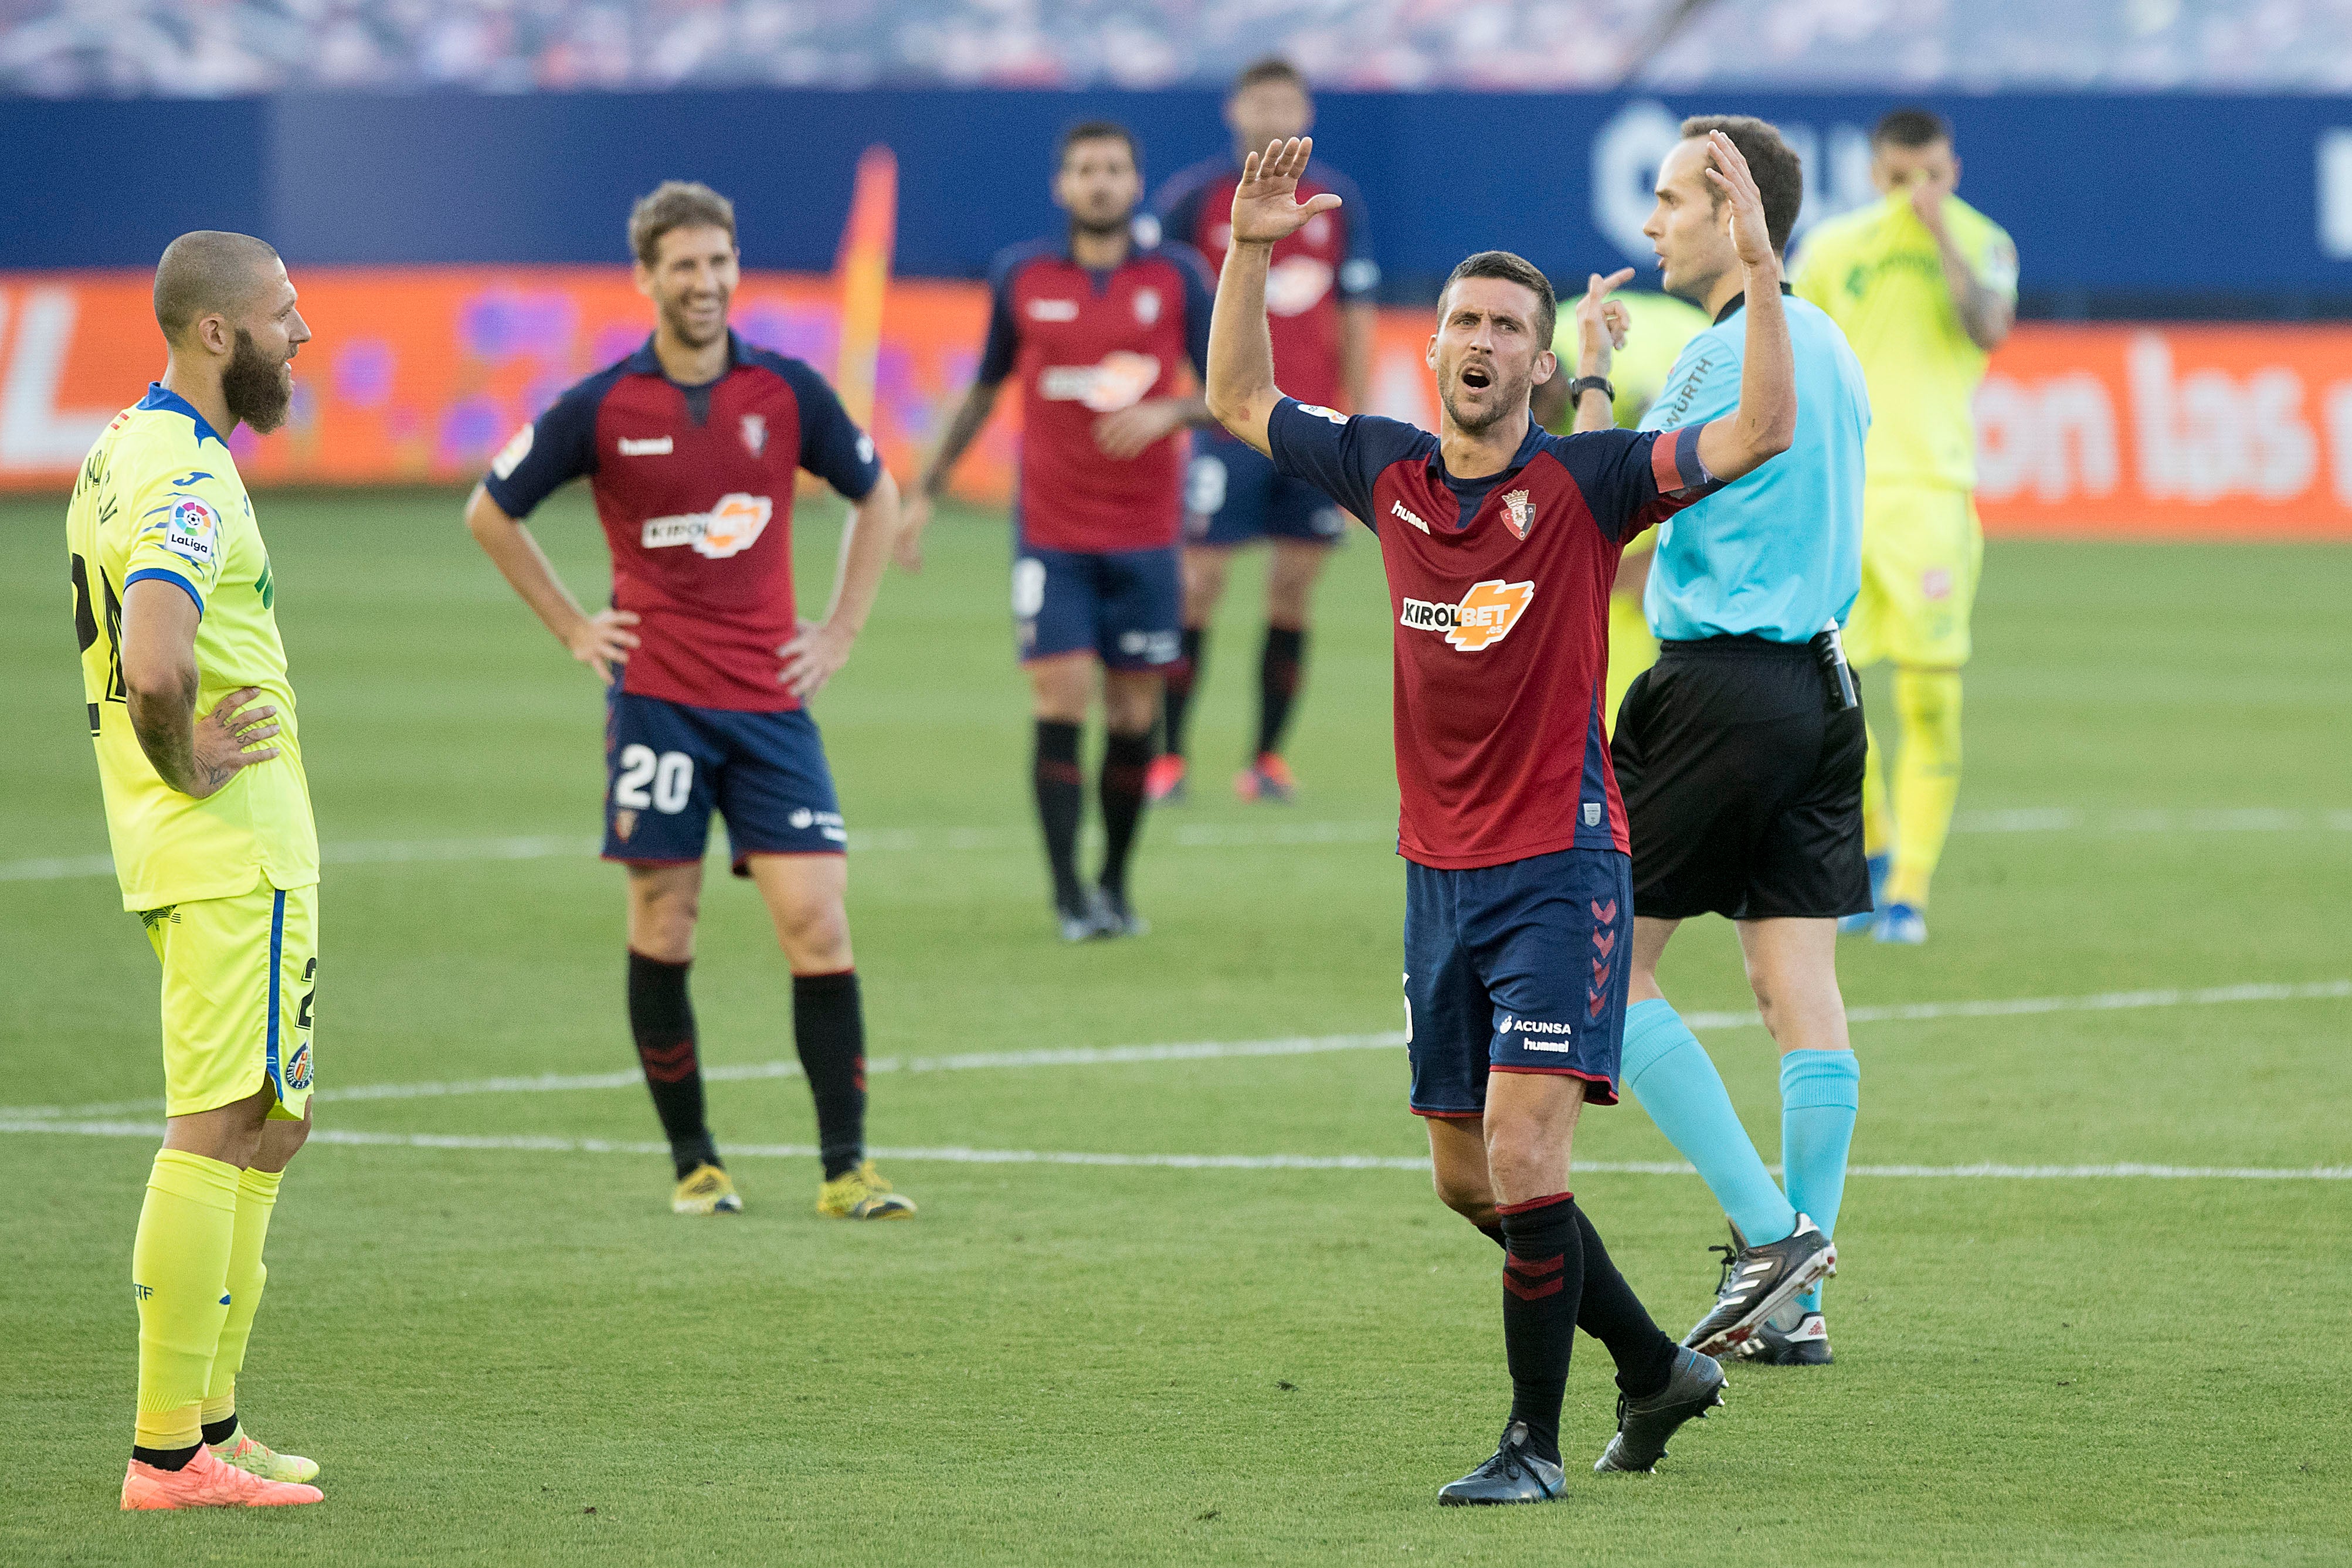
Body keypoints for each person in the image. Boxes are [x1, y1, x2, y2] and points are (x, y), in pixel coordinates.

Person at [1208, 133, 1799, 1502]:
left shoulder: (1587, 489)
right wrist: (1251, 248)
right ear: (1435, 351)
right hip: (1438, 880)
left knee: (1530, 1153)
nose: (1481, 342)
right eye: (1463, 321)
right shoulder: (1389, 474)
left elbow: (1762, 429)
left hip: (1560, 868)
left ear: (1542, 364)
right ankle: (1657, 1363)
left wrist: (1760, 266)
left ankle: (1532, 1446)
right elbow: (1237, 396)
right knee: (1471, 1184)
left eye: (1506, 329)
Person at [464, 181, 914, 1221]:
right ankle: (695, 1163)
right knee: (666, 919)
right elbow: (492, 510)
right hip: (658, 702)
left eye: (719, 262)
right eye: (684, 266)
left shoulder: (787, 392)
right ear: (647, 278)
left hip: (770, 705)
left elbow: (877, 493)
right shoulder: (604, 405)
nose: (705, 282)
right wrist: (577, 626)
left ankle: (847, 1168)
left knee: (818, 918)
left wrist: (839, 630)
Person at [1587, 116, 1872, 1366]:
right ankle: (1797, 1304)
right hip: (1818, 691)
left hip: (1716, 693)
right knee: (1794, 995)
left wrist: (1587, 385)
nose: (1651, 222)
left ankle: (1770, 1236)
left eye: (1669, 200)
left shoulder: (1725, 358)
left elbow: (1610, 503)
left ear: (1734, 210)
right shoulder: (1831, 345)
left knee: (1601, 968)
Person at [68, 230, 327, 1509]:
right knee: (220, 1119)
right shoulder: (187, 476)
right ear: (217, 334)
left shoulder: (117, 448)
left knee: (271, 1121)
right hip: (229, 849)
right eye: (284, 317)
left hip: (194, 852)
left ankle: (213, 1423)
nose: (304, 336)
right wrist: (190, 756)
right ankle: (168, 1452)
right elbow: (161, 659)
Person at [902, 121, 1214, 941]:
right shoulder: (1022, 277)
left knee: (1130, 713)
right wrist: (922, 491)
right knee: (1061, 697)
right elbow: (981, 389)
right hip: (1052, 533)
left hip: (1147, 534)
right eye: (1084, 169)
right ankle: (1067, 894)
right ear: (1061, 185)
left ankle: (1112, 878)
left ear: (1135, 182)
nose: (1100, 182)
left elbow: (1230, 392)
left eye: (1113, 168)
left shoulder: (1178, 278)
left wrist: (1168, 410)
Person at [1794, 106, 2018, 945]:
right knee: (1825, 693)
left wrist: (1938, 239)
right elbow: (1795, 359)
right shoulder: (1831, 248)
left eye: (1927, 176)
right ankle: (1877, 847)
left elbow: (1988, 329)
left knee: (1927, 696)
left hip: (1929, 498)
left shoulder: (1981, 242)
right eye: (1896, 178)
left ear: (1949, 171)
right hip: (1841, 496)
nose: (1912, 192)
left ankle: (1910, 892)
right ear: (1870, 173)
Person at [1146, 57, 1379, 803]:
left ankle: (1266, 760)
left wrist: (1360, 425)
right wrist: (1186, 400)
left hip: (1310, 429)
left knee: (1291, 593)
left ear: (1306, 110)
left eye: (1287, 101)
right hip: (1228, 426)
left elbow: (1355, 318)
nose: (1274, 113)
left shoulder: (1337, 204)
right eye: (1261, 100)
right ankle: (1169, 756)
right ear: (1235, 108)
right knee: (1197, 585)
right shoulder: (1195, 200)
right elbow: (1162, 302)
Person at [1532, 285, 1712, 730]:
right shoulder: (1540, 345)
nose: (1538, 424)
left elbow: (1701, 460)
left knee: (1634, 575)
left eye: (1544, 410)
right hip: (1633, 413)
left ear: (1554, 377)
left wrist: (1657, 557)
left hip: (1699, 365)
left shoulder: (1634, 376)